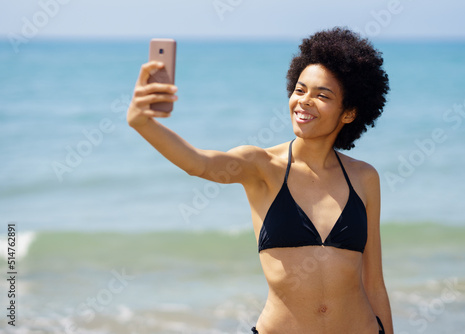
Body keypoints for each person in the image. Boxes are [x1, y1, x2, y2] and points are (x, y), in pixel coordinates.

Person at [127, 27, 393, 334]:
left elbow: (374, 284)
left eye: (322, 95)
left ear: (348, 113)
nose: (304, 101)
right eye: (299, 89)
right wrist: (142, 124)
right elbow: (199, 163)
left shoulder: (364, 177)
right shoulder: (262, 166)